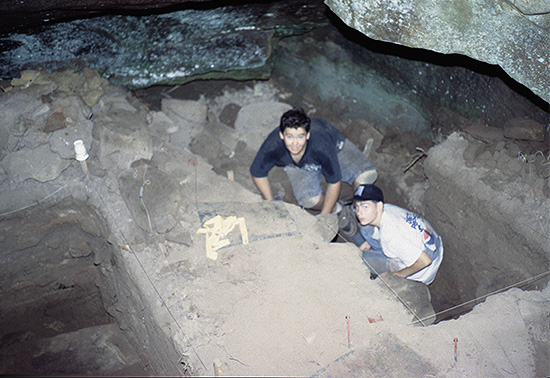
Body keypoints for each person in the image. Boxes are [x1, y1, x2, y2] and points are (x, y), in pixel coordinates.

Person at [249, 108, 377, 214]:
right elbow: (257, 173)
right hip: (298, 164)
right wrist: (270, 203)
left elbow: (334, 182)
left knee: (366, 176)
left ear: (308, 135)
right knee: (309, 200)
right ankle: (337, 209)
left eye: (300, 136)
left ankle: (356, 209)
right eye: (289, 136)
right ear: (282, 135)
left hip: (335, 148)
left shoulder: (320, 145)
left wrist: (323, 217)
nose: (295, 143)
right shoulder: (273, 145)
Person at [349, 184, 443, 285]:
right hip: (433, 248)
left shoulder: (391, 236)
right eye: (357, 206)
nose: (359, 212)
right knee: (366, 227)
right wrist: (369, 241)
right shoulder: (387, 208)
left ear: (379, 206)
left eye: (365, 206)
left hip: (423, 273)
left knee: (361, 258)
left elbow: (425, 261)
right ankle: (377, 247)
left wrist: (396, 275)